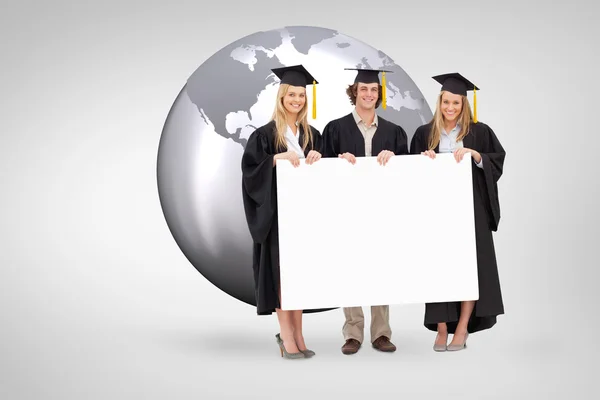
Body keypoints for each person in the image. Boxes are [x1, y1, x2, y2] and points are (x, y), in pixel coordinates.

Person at [409, 72, 506, 352]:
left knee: (468, 267)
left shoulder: (480, 131)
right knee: (439, 268)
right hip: (436, 213)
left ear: (464, 105)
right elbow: (411, 175)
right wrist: (422, 161)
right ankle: (441, 328)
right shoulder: (424, 134)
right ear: (439, 103)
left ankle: (462, 327)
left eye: (456, 103)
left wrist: (476, 156)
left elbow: (496, 161)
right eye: (446, 102)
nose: (450, 108)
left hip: (470, 210)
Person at [322, 68, 409, 355]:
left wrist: (395, 159)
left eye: (374, 90)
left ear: (378, 95)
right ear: (355, 92)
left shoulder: (395, 132)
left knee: (381, 268)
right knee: (350, 267)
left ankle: (381, 333)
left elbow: (408, 175)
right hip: (345, 211)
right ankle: (353, 333)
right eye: (363, 89)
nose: (369, 94)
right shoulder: (334, 128)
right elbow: (321, 171)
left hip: (383, 212)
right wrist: (337, 161)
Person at [241, 65, 325, 360]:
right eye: (292, 94)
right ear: (281, 97)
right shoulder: (264, 135)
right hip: (277, 219)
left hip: (305, 218)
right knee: (281, 276)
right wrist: (276, 158)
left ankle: (299, 334)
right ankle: (286, 336)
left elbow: (326, 176)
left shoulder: (312, 135)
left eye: (301, 95)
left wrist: (318, 156)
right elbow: (250, 172)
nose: (297, 100)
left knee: (299, 276)